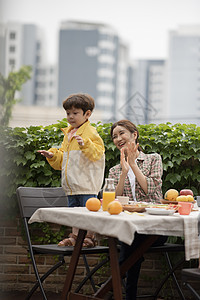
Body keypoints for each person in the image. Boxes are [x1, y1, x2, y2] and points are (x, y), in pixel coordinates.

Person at [108, 119, 167, 300]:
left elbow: (151, 189)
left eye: (121, 134)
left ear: (134, 135)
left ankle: (112, 287)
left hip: (155, 228)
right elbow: (114, 200)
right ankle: (126, 295)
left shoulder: (153, 159)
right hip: (128, 227)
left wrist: (133, 164)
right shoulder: (115, 170)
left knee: (130, 244)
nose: (118, 139)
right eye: (114, 137)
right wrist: (124, 171)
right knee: (131, 241)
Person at [38, 93, 105, 247]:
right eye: (68, 113)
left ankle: (89, 237)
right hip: (72, 185)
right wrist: (52, 155)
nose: (70, 117)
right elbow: (63, 159)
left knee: (89, 212)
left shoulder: (91, 133)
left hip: (87, 184)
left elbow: (97, 154)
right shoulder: (68, 133)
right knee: (74, 212)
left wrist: (85, 144)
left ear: (87, 114)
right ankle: (75, 236)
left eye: (75, 113)